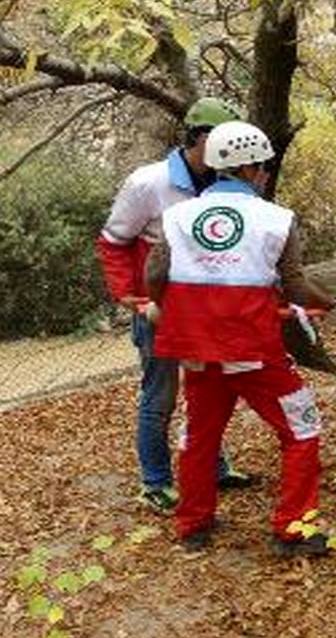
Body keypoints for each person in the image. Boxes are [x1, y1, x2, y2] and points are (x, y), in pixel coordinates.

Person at [144, 120, 336, 557]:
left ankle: (193, 525)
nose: (267, 173)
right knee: (302, 428)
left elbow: (156, 272)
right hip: (252, 348)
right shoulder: (276, 219)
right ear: (254, 168)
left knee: (199, 435)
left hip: (196, 348)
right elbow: (294, 284)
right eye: (265, 166)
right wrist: (332, 306)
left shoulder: (178, 215)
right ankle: (293, 529)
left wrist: (161, 303)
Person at [96, 97, 256, 515]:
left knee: (210, 390)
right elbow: (113, 242)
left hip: (208, 308)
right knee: (160, 396)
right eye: (220, 140)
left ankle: (213, 466)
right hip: (160, 309)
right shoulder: (149, 183)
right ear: (199, 138)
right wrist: (133, 300)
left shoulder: (228, 183)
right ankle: (155, 483)